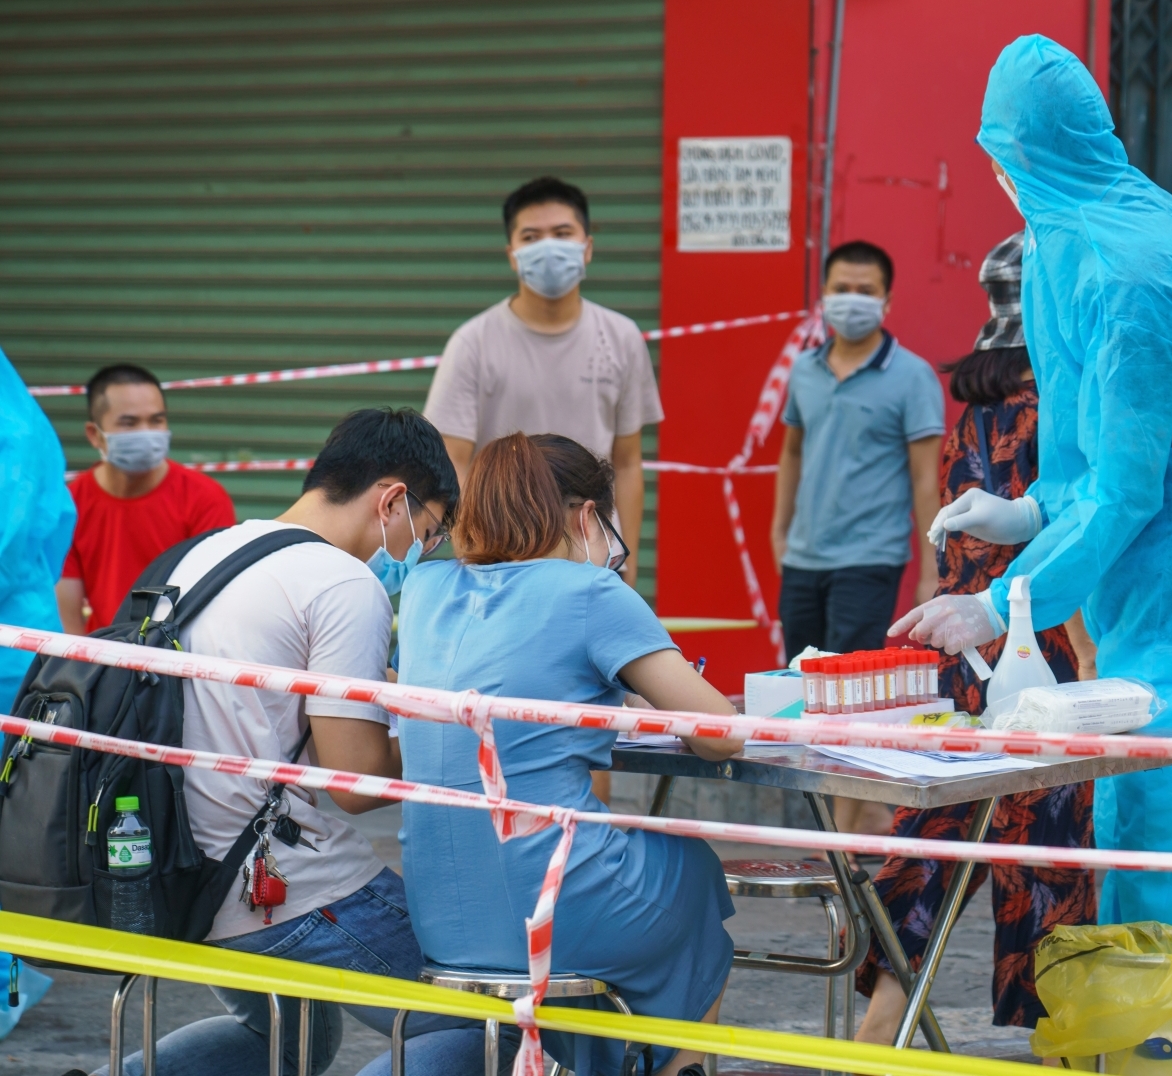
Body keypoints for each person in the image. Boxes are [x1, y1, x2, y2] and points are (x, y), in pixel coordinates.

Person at [898, 36, 1172, 928]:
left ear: (1028, 155)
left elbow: (1131, 491)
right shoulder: (1076, 238)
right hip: (1145, 590)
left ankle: (1170, 1058)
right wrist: (1031, 507)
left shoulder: (1132, 273)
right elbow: (1103, 453)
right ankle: (1134, 1050)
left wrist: (1003, 605)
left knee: (1171, 836)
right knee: (1128, 822)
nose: (998, 176)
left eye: (1003, 157)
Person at [100, 408, 463, 1076]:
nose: (422, 554)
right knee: (478, 1022)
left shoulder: (207, 552)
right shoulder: (344, 583)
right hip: (271, 883)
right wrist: (460, 730)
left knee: (288, 1040)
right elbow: (354, 781)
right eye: (428, 532)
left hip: (172, 872)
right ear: (391, 500)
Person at [388, 432, 741, 1076]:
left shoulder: (423, 591)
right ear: (586, 516)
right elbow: (718, 733)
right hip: (553, 908)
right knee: (690, 867)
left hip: (440, 918)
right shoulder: (591, 594)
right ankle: (678, 1064)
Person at [853, 233, 1098, 1043]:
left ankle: (882, 1020)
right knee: (1047, 857)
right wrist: (1092, 659)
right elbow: (1064, 552)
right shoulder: (1060, 416)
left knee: (931, 839)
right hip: (1043, 662)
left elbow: (948, 550)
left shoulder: (970, 417)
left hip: (960, 655)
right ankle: (1056, 1044)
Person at [424, 175, 660, 589]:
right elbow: (453, 459)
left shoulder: (622, 338)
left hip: (594, 553)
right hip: (502, 555)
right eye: (531, 236)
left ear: (587, 247)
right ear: (513, 255)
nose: (548, 246)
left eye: (562, 233)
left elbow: (627, 462)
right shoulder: (473, 343)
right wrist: (469, 549)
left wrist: (629, 559)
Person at [772, 239, 947, 654]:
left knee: (847, 686)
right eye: (842, 288)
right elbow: (792, 451)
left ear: (887, 301)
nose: (853, 300)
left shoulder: (913, 376)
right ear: (825, 295)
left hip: (870, 560)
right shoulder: (804, 369)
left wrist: (931, 572)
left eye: (866, 291)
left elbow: (926, 480)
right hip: (801, 559)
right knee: (796, 682)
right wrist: (779, 533)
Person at [58, 364, 235, 634]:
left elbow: (212, 605)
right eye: (129, 423)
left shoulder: (204, 498)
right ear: (95, 435)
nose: (147, 432)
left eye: (156, 420)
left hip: (176, 658)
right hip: (100, 656)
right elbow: (66, 613)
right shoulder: (70, 504)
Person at [0, 349, 75, 727]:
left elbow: (6, 547)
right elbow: (58, 523)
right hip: (25, 627)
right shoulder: (20, 417)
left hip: (10, 653)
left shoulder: (13, 433)